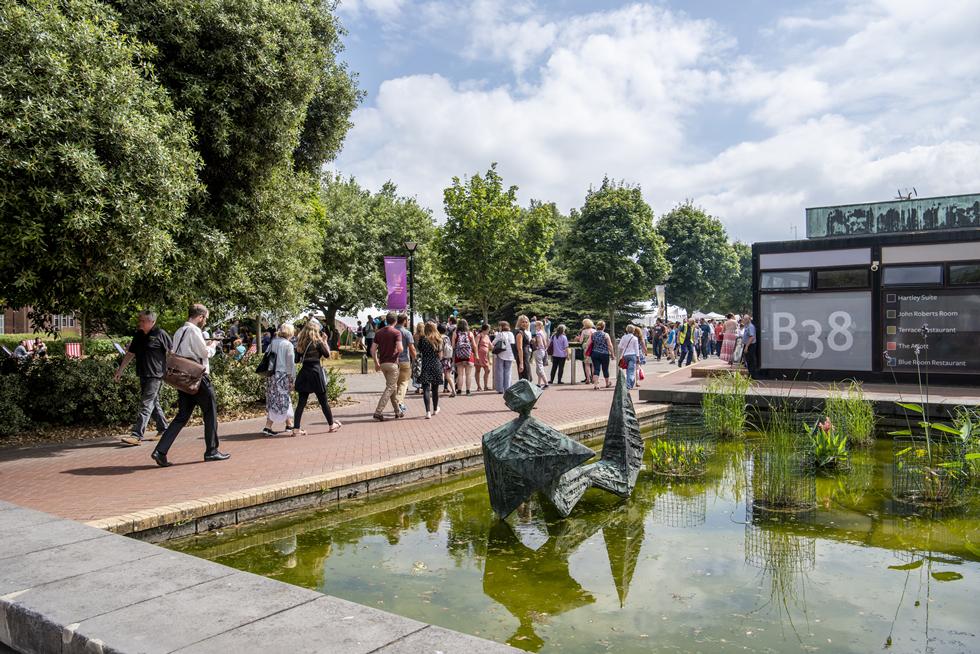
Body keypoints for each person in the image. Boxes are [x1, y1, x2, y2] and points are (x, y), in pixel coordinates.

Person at [151, 304, 228, 466]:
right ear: (200, 317)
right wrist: (213, 344)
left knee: (182, 416)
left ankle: (160, 450)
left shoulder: (180, 331)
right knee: (210, 413)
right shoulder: (194, 331)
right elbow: (204, 353)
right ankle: (211, 451)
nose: (205, 321)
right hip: (198, 377)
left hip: (183, 378)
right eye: (205, 318)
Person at [114, 310, 171, 446]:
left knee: (146, 403)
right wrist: (120, 370)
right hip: (143, 373)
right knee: (153, 403)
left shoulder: (160, 334)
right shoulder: (138, 335)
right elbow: (130, 354)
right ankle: (164, 429)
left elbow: (172, 352)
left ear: (152, 322)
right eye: (139, 320)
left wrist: (170, 371)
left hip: (156, 375)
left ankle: (136, 435)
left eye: (143, 321)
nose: (140, 323)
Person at [292, 319, 341, 435]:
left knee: (301, 403)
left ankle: (296, 429)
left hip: (304, 372)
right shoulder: (318, 342)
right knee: (323, 401)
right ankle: (331, 425)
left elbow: (296, 360)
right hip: (316, 372)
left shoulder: (300, 342)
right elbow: (327, 355)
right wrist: (324, 341)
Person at [262, 323, 296, 436]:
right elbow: (290, 364)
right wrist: (292, 379)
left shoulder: (273, 342)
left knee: (276, 399)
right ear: (290, 333)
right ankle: (268, 426)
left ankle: (289, 424)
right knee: (282, 399)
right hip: (282, 375)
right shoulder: (288, 345)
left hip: (271, 375)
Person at [371, 312, 403, 421]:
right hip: (393, 363)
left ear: (386, 320)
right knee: (390, 388)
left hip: (383, 363)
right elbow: (400, 348)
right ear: (395, 321)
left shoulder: (379, 333)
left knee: (392, 387)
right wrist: (398, 353)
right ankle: (378, 411)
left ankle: (397, 411)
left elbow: (373, 350)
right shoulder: (396, 332)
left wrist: (376, 363)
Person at [417, 321, 445, 418]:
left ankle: (427, 411)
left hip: (426, 365)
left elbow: (420, 351)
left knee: (426, 389)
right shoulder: (438, 339)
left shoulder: (422, 339)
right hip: (436, 365)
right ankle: (435, 408)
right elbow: (440, 356)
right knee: (435, 389)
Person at [395, 313, 416, 414]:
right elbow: (412, 348)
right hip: (404, 361)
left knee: (396, 385)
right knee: (403, 383)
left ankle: (397, 405)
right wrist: (415, 359)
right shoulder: (406, 333)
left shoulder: (392, 331)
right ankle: (399, 402)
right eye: (407, 320)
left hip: (392, 361)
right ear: (404, 321)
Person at [452, 318, 475, 396]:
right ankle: (468, 391)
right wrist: (477, 355)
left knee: (460, 374)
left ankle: (459, 390)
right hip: (469, 355)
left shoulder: (455, 333)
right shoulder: (470, 333)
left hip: (459, 356)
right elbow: (474, 345)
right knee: (468, 374)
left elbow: (453, 346)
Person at [589, 320, 614, 389]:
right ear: (604, 327)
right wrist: (612, 354)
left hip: (595, 353)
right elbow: (610, 345)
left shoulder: (593, 334)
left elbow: (589, 344)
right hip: (604, 354)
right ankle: (607, 383)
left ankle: (596, 385)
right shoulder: (605, 335)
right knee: (605, 369)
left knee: (596, 369)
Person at [492, 320, 515, 393]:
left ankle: (500, 389)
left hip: (501, 354)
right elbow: (513, 343)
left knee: (500, 371)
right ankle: (507, 388)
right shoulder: (511, 334)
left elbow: (493, 343)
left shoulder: (500, 334)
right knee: (508, 371)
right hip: (510, 354)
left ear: (501, 326)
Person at [618, 324, 642, 390]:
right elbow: (636, 348)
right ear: (633, 330)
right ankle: (629, 384)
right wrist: (638, 357)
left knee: (626, 370)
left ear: (627, 330)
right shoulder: (635, 338)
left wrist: (624, 347)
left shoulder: (624, 337)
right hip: (633, 355)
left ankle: (628, 383)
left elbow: (619, 346)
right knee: (631, 371)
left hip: (625, 355)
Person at [514, 315, 533, 382]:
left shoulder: (524, 332)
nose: (525, 324)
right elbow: (519, 348)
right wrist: (521, 363)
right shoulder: (520, 333)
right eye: (523, 322)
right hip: (522, 357)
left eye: (526, 322)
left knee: (528, 378)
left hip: (526, 357)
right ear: (519, 323)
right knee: (525, 378)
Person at [474, 323, 492, 391]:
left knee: (488, 370)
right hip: (479, 355)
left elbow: (490, 346)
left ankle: (485, 386)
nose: (489, 330)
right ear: (486, 329)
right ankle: (479, 386)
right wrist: (476, 355)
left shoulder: (487, 336)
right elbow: (475, 345)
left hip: (485, 356)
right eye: (489, 329)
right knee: (478, 370)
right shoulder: (479, 335)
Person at [577, 319, 596, 384]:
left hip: (586, 348)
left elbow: (581, 341)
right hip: (593, 348)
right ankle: (593, 379)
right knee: (593, 364)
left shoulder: (584, 331)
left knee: (587, 364)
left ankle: (588, 379)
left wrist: (579, 338)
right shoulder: (594, 331)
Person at [532, 320, 549, 388]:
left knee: (539, 367)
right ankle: (539, 383)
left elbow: (540, 343)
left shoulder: (538, 334)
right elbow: (545, 343)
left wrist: (535, 345)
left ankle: (546, 383)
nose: (535, 327)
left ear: (539, 326)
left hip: (539, 351)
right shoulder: (543, 333)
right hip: (543, 351)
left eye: (536, 325)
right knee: (539, 367)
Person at [742, 314, 758, 378]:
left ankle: (752, 375)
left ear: (749, 319)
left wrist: (747, 346)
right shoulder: (747, 326)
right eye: (744, 319)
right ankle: (750, 374)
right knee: (748, 360)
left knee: (751, 360)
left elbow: (752, 337)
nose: (745, 320)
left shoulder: (750, 326)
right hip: (748, 345)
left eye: (746, 319)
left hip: (750, 345)